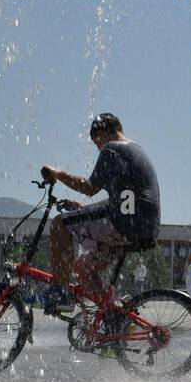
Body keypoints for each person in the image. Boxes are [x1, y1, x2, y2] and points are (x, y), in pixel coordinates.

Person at [40, 114, 161, 305]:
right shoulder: (134, 149)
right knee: (82, 267)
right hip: (141, 226)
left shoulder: (112, 149)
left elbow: (89, 188)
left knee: (59, 224)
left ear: (103, 132)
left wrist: (58, 173)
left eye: (96, 140)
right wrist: (84, 209)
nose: (97, 147)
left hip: (123, 224)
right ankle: (114, 313)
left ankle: (60, 292)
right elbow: (123, 201)